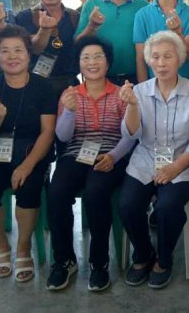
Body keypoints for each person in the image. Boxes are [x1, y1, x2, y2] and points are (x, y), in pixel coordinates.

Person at [118, 30, 189, 289]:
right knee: (127, 204)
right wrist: (133, 106)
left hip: (184, 164)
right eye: (155, 57)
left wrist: (174, 168)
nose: (161, 63)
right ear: (148, 60)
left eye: (167, 56)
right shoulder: (139, 91)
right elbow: (131, 134)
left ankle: (164, 258)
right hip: (146, 159)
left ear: (179, 59)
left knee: (167, 208)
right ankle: (143, 252)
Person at [46, 36, 134, 292]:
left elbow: (130, 136)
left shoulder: (120, 94)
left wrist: (114, 156)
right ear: (79, 64)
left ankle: (99, 263)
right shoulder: (69, 94)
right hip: (75, 154)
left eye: (98, 57)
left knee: (97, 191)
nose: (92, 62)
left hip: (111, 154)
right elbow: (62, 137)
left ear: (108, 63)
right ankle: (64, 260)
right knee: (57, 191)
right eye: (86, 58)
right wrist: (70, 110)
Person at [0, 26, 56, 282]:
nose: (12, 56)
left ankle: (23, 247)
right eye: (5, 51)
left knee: (29, 187)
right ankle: (1, 246)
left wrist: (28, 165)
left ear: (29, 56)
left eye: (18, 50)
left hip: (32, 150)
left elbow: (48, 132)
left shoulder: (44, 87)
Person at [74, 0, 148, 85]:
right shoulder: (91, 4)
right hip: (100, 81)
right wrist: (92, 26)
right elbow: (78, 43)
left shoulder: (143, 6)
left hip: (136, 79)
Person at [15, 0, 79, 98]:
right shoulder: (23, 18)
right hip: (34, 88)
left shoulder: (75, 17)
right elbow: (32, 49)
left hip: (70, 89)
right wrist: (44, 30)